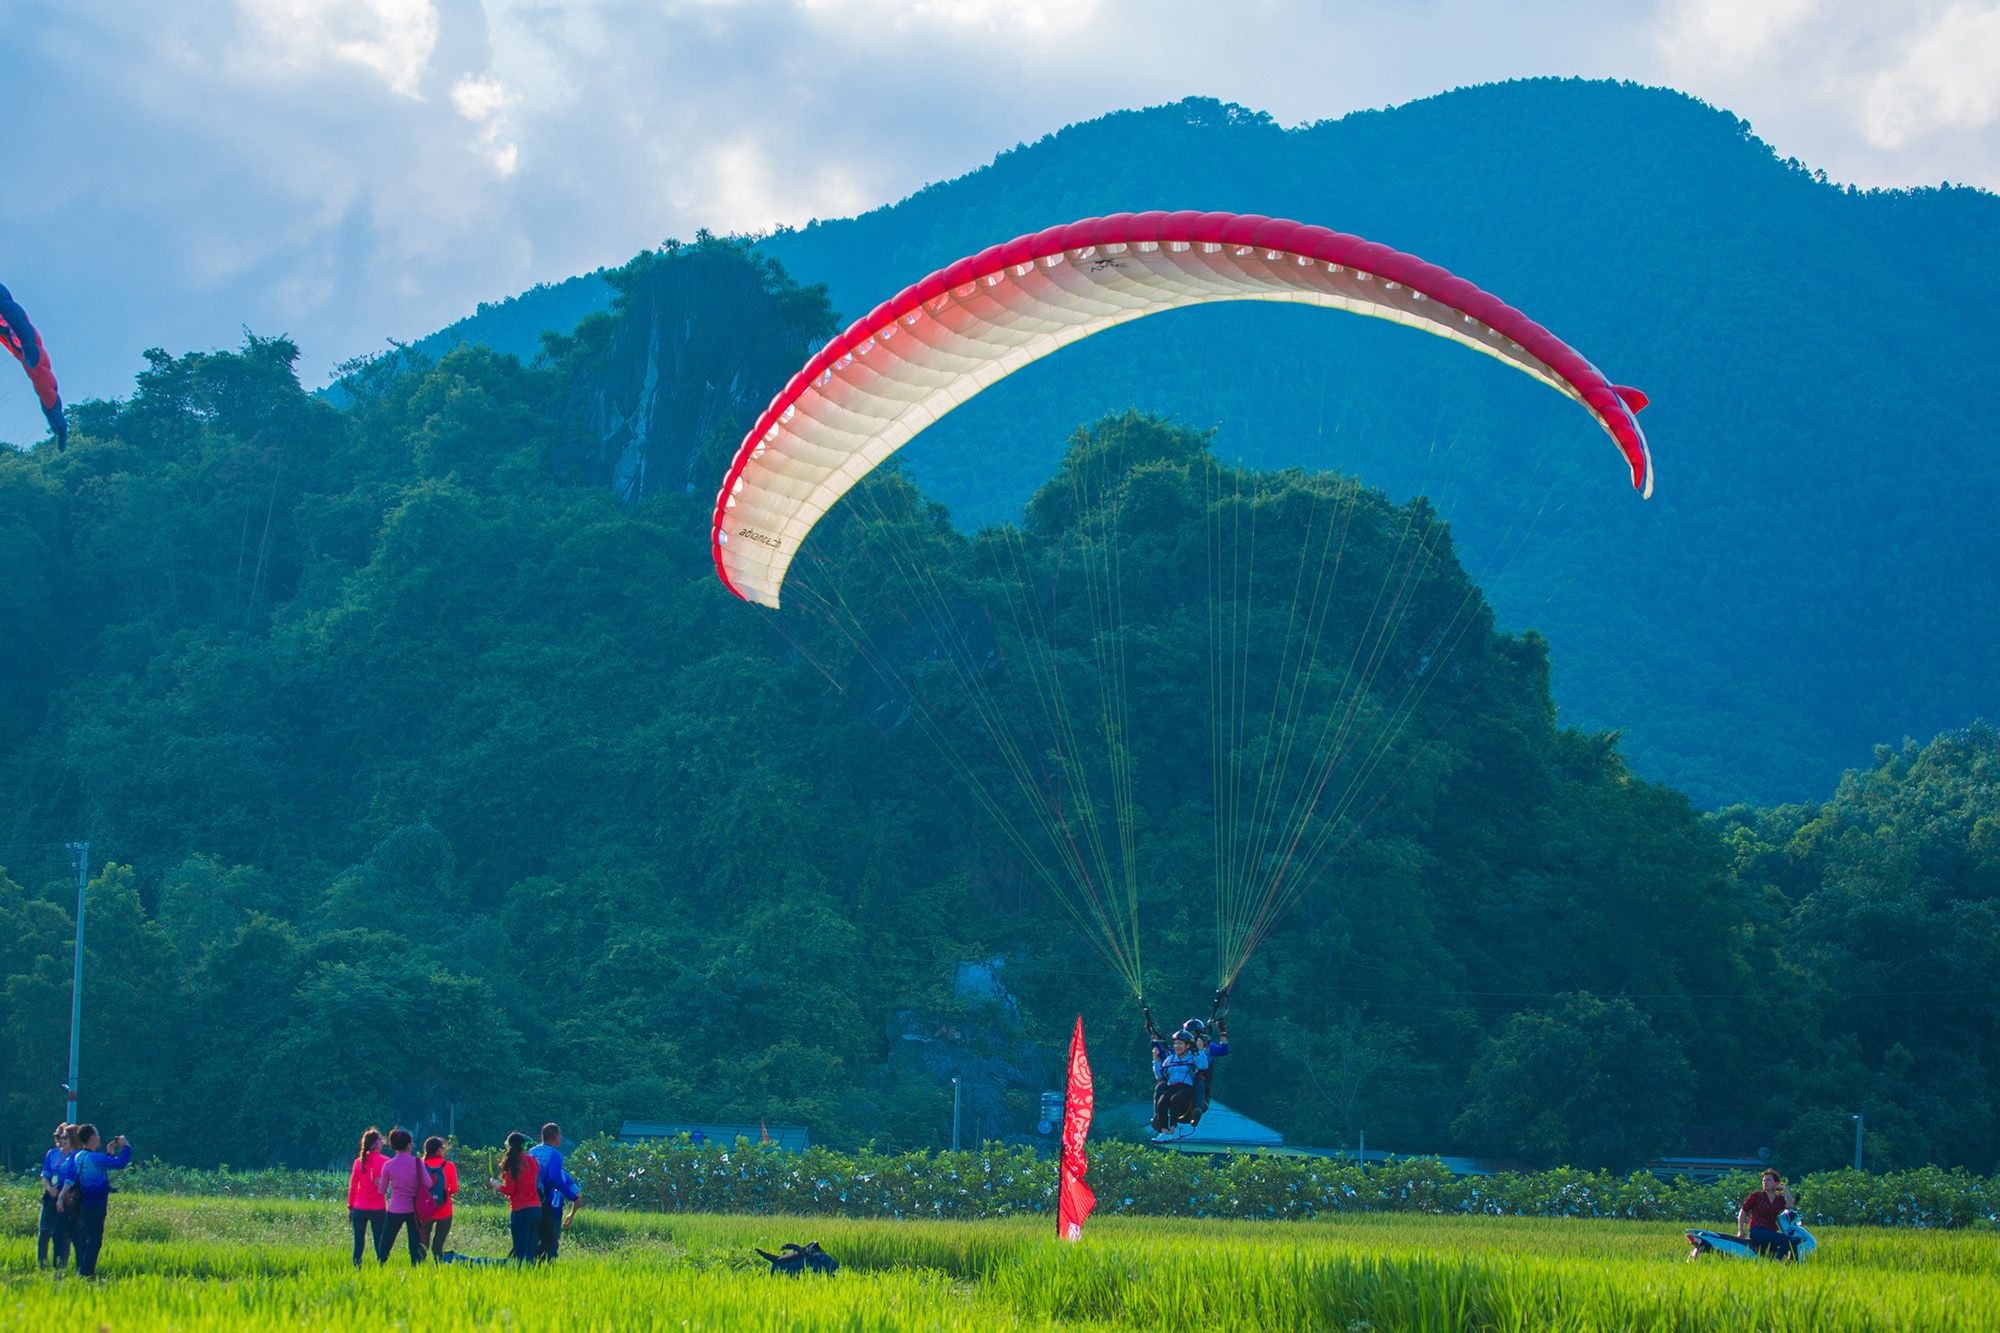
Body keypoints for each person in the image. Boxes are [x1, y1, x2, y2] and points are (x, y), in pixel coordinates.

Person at [66, 1124, 131, 1279]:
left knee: (85, 1238)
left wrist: (108, 1154)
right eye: (97, 1134)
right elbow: (120, 1163)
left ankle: (82, 1269)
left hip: (82, 1203)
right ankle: (87, 1273)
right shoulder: (95, 1158)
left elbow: (101, 1166)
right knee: (95, 1240)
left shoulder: (79, 1156)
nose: (99, 1137)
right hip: (95, 1204)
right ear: (91, 1138)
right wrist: (126, 1146)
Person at [375, 1128, 433, 1264]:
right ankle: (416, 1266)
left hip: (395, 1208)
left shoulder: (388, 1165)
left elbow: (382, 1190)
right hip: (414, 1209)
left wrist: (379, 1182)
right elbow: (428, 1183)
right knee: (414, 1243)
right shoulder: (417, 1162)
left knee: (386, 1241)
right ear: (408, 1145)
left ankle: (380, 1264)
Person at [526, 1122, 582, 1261]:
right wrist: (572, 1197)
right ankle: (546, 1267)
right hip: (545, 1204)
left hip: (527, 1202)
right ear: (556, 1136)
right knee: (549, 1243)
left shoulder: (531, 1152)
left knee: (531, 1243)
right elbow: (554, 1177)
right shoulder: (555, 1154)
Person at [491, 1131, 543, 1262]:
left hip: (520, 1209)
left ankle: (520, 1270)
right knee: (531, 1248)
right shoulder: (532, 1161)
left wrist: (497, 1185)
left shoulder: (512, 1164)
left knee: (520, 1250)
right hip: (536, 1208)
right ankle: (531, 1270)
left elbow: (509, 1190)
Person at [1150, 1029, 1207, 1139]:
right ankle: (1164, 1130)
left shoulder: (1192, 1057)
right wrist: (1155, 1060)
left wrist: (1200, 1050)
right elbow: (1159, 1076)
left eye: (1180, 1044)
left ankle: (1172, 1129)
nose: (1177, 1046)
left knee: (1175, 1099)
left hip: (1186, 1088)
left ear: (1187, 1046)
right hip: (1172, 1087)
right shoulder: (1170, 1059)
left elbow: (1203, 1065)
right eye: (1175, 1044)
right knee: (1161, 1102)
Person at [346, 1127, 390, 1266]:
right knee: (379, 1241)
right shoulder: (385, 1161)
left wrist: (350, 1207)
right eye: (380, 1140)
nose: (382, 1142)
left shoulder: (358, 1162)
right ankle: (381, 1268)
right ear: (376, 1143)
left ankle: (356, 1267)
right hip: (378, 1208)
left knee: (358, 1242)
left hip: (359, 1207)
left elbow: (353, 1187)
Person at [1738, 1168, 1799, 1258]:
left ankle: (1780, 1261)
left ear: (1776, 1183)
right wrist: (1740, 1230)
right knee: (1789, 1241)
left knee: (1793, 1242)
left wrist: (1785, 1189)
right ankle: (1777, 1261)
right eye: (1763, 1180)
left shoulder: (1779, 1199)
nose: (1765, 1182)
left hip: (1771, 1232)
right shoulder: (1756, 1195)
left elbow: (1790, 1205)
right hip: (1757, 1231)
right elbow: (1743, 1211)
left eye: (1768, 1180)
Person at [415, 1136, 459, 1261]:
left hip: (425, 1211)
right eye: (443, 1148)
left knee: (423, 1244)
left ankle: (419, 1266)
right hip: (444, 1211)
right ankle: (439, 1266)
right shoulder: (449, 1165)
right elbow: (454, 1189)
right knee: (438, 1247)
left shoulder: (421, 1165)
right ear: (438, 1150)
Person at [39, 1123, 73, 1270]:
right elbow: (44, 1175)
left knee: (64, 1234)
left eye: (63, 1137)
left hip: (66, 1199)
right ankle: (42, 1264)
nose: (60, 1140)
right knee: (44, 1231)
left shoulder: (74, 1155)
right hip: (50, 1197)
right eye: (58, 1137)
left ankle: (61, 1265)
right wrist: (49, 1188)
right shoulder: (52, 1154)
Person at [1185, 1017, 1230, 1124]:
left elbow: (1224, 1050)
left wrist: (1222, 1031)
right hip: (1182, 1076)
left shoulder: (1208, 1047)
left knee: (1199, 1084)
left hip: (1200, 1077)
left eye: (1194, 1033)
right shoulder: (1181, 1046)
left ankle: (1197, 1109)